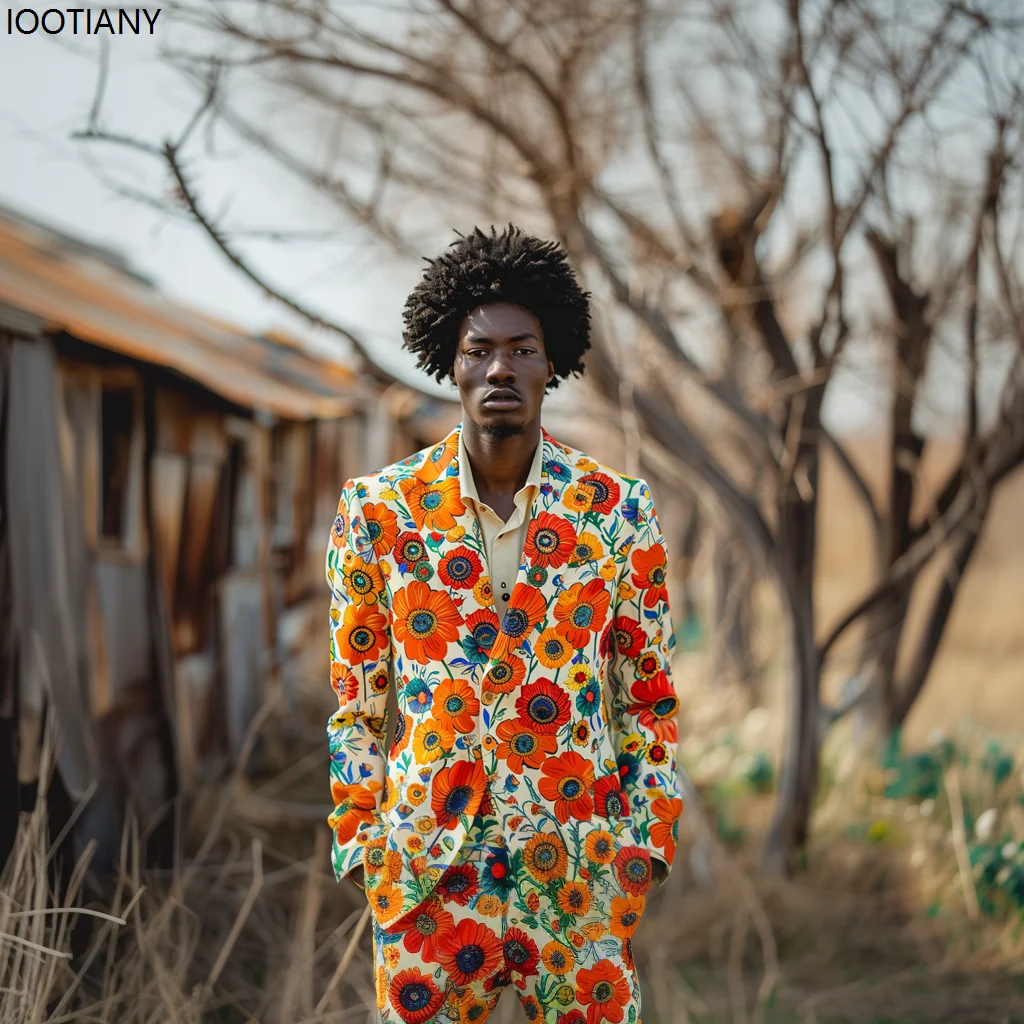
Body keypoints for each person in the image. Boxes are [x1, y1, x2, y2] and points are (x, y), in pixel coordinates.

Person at [325, 226, 682, 1024]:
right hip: (424, 871)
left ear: (552, 364)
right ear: (448, 363)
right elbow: (355, 707)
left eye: (522, 349)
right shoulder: (379, 513)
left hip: (580, 871)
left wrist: (644, 847)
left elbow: (650, 701)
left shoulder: (618, 511)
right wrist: (362, 842)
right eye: (479, 349)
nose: (499, 369)